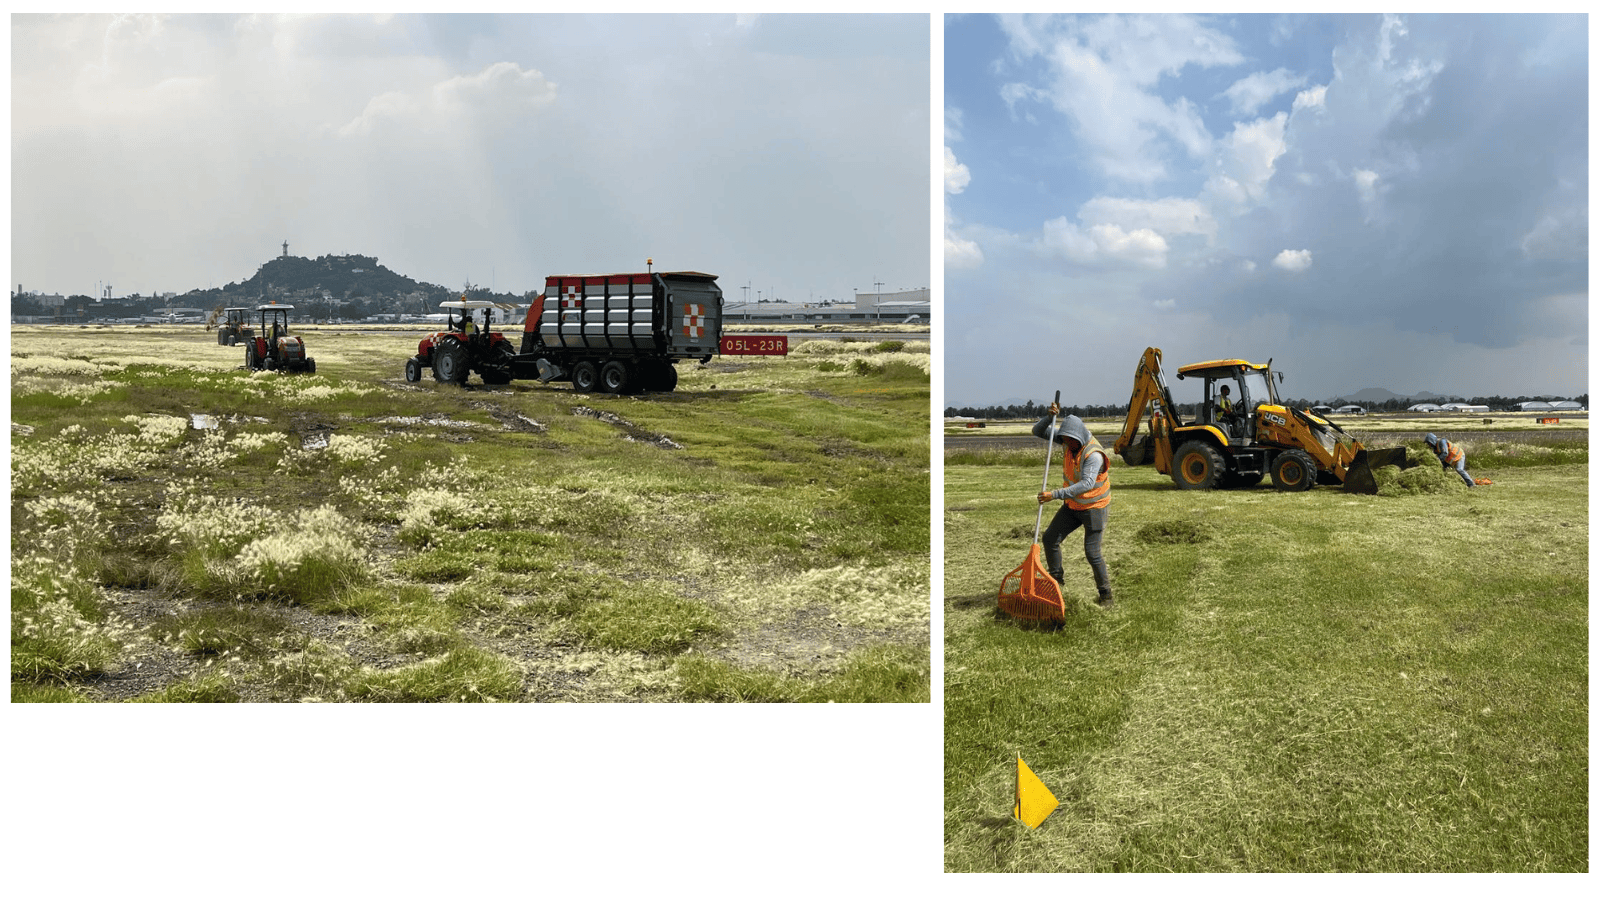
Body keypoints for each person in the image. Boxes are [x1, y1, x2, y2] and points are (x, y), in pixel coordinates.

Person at [1032, 402, 1114, 608]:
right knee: (1050, 538)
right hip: (1073, 506)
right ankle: (1057, 584)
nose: (1066, 443)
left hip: (1094, 507)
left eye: (1070, 440)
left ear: (1079, 436)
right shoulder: (1068, 441)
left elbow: (1086, 484)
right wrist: (1049, 417)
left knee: (1092, 553)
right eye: (1064, 440)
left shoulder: (1093, 455)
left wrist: (1054, 495)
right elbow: (1038, 431)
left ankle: (1106, 596)